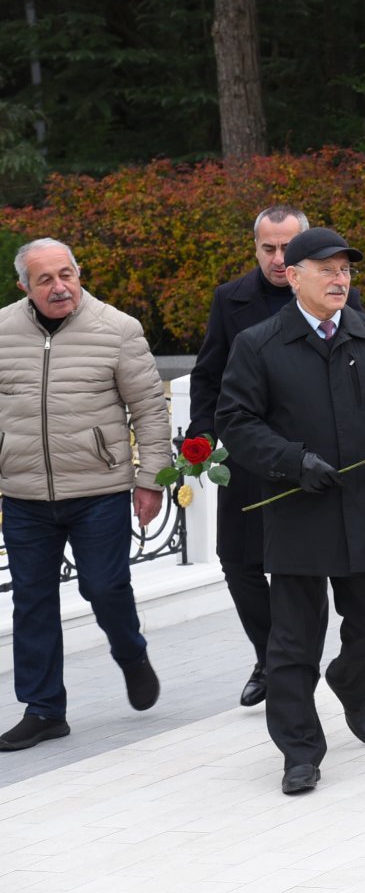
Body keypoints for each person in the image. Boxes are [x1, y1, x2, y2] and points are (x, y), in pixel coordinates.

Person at [217, 228, 365, 795]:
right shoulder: (259, 344)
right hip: (299, 512)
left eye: (346, 271)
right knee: (292, 641)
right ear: (294, 275)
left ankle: (350, 684)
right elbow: (236, 421)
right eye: (327, 270)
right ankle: (299, 751)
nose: (341, 280)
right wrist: (291, 461)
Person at [187, 206, 364, 709]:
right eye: (269, 248)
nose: (279, 258)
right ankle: (270, 656)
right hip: (250, 456)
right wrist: (203, 436)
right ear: (256, 248)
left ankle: (307, 662)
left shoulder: (338, 292)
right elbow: (209, 374)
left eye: (288, 248)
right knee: (238, 561)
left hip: (317, 459)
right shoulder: (231, 300)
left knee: (307, 569)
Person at [0, 239, 168, 751]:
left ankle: (131, 654)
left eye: (66, 274)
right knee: (31, 600)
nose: (60, 287)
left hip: (99, 489)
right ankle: (44, 708)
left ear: (79, 273)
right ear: (24, 286)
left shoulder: (118, 329)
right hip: (23, 493)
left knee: (105, 586)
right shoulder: (2, 330)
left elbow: (150, 410)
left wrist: (151, 479)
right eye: (46, 279)